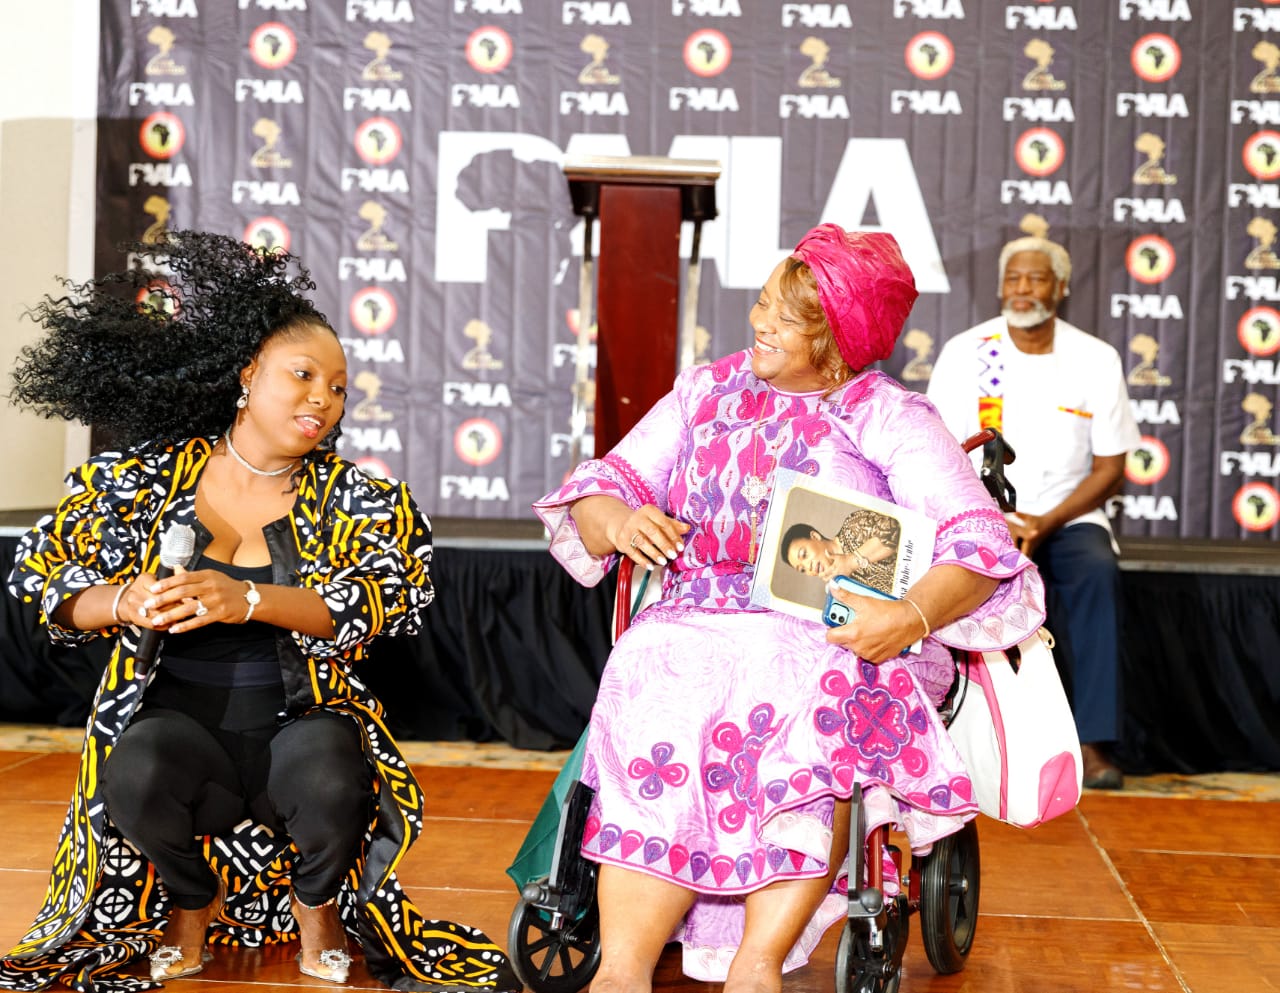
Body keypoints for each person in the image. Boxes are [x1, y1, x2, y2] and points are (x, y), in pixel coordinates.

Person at [532, 223, 1045, 993]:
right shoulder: (706, 392)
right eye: (764, 303)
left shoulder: (889, 417)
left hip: (845, 633)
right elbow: (605, 485)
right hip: (697, 621)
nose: (760, 323)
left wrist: (905, 617)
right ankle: (623, 969)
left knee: (792, 677)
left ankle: (757, 963)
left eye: (786, 316)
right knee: (646, 662)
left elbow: (978, 546)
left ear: (839, 340)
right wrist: (622, 521)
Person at [3, 231, 516, 992]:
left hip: (298, 724)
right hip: (179, 728)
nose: (322, 399)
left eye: (337, 387)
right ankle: (190, 900)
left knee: (337, 775)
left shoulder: (361, 498)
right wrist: (123, 599)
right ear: (247, 375)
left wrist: (246, 599)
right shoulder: (142, 479)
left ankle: (318, 906)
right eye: (302, 375)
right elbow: (42, 572)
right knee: (134, 773)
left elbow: (385, 601)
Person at [926, 233, 1141, 791]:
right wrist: (993, 516)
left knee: (1096, 571)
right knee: (947, 578)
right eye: (1014, 278)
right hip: (979, 513)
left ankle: (1093, 742)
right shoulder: (967, 352)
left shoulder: (1095, 358)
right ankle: (947, 736)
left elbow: (1111, 467)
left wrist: (1046, 522)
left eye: (1037, 278)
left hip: (1068, 518)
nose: (1022, 288)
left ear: (1061, 287)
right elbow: (940, 451)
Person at [780, 510, 901, 595]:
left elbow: (894, 530)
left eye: (804, 555)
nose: (808, 567)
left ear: (815, 536)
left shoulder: (852, 526)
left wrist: (850, 562)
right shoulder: (843, 587)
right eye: (802, 569)